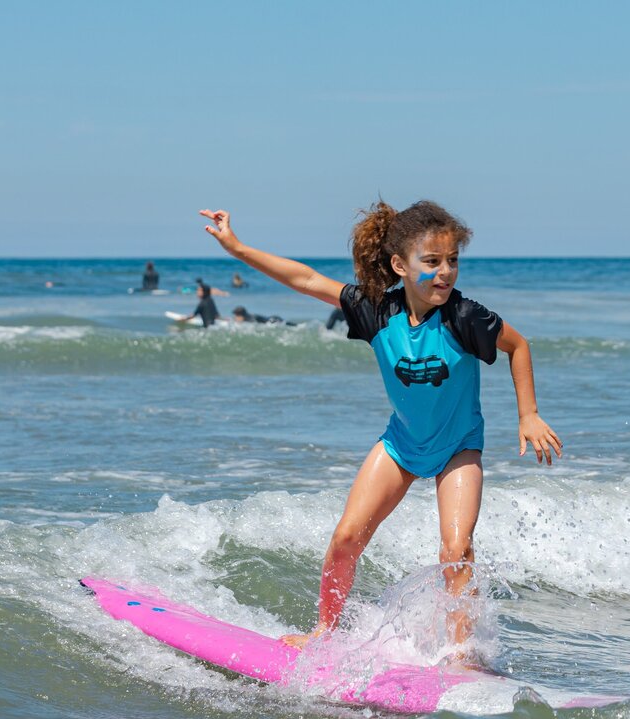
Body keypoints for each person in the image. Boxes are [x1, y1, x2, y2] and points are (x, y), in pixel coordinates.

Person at [199, 200, 562, 656]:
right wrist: (238, 249)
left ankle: (463, 653)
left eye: (452, 261)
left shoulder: (464, 316)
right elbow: (306, 280)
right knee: (346, 538)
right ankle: (324, 633)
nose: (445, 272)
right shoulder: (376, 310)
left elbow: (518, 345)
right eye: (432, 262)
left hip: (458, 448)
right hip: (402, 443)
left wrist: (527, 414)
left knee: (456, 550)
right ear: (400, 265)